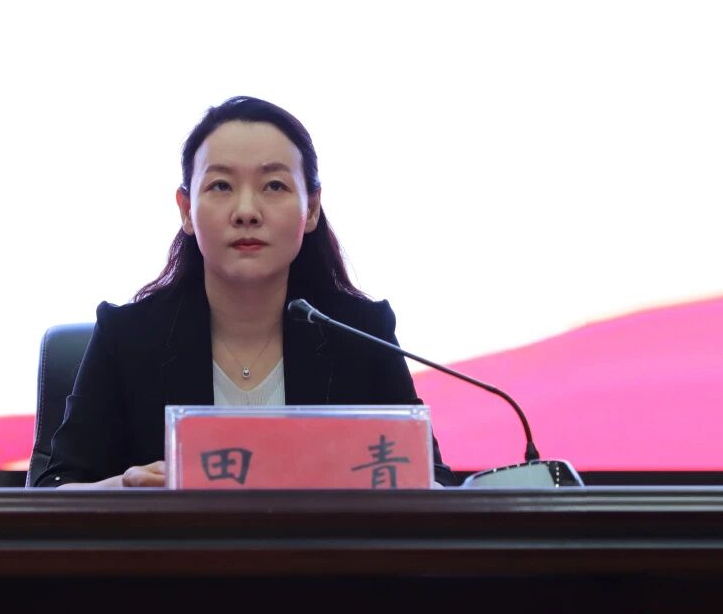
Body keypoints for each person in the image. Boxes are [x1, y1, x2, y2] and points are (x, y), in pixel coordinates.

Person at [35, 96, 454, 488]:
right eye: (221, 186)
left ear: (311, 209)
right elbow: (51, 491)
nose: (247, 212)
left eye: (274, 186)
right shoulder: (127, 337)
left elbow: (432, 485)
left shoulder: (362, 333)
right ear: (186, 210)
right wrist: (128, 488)